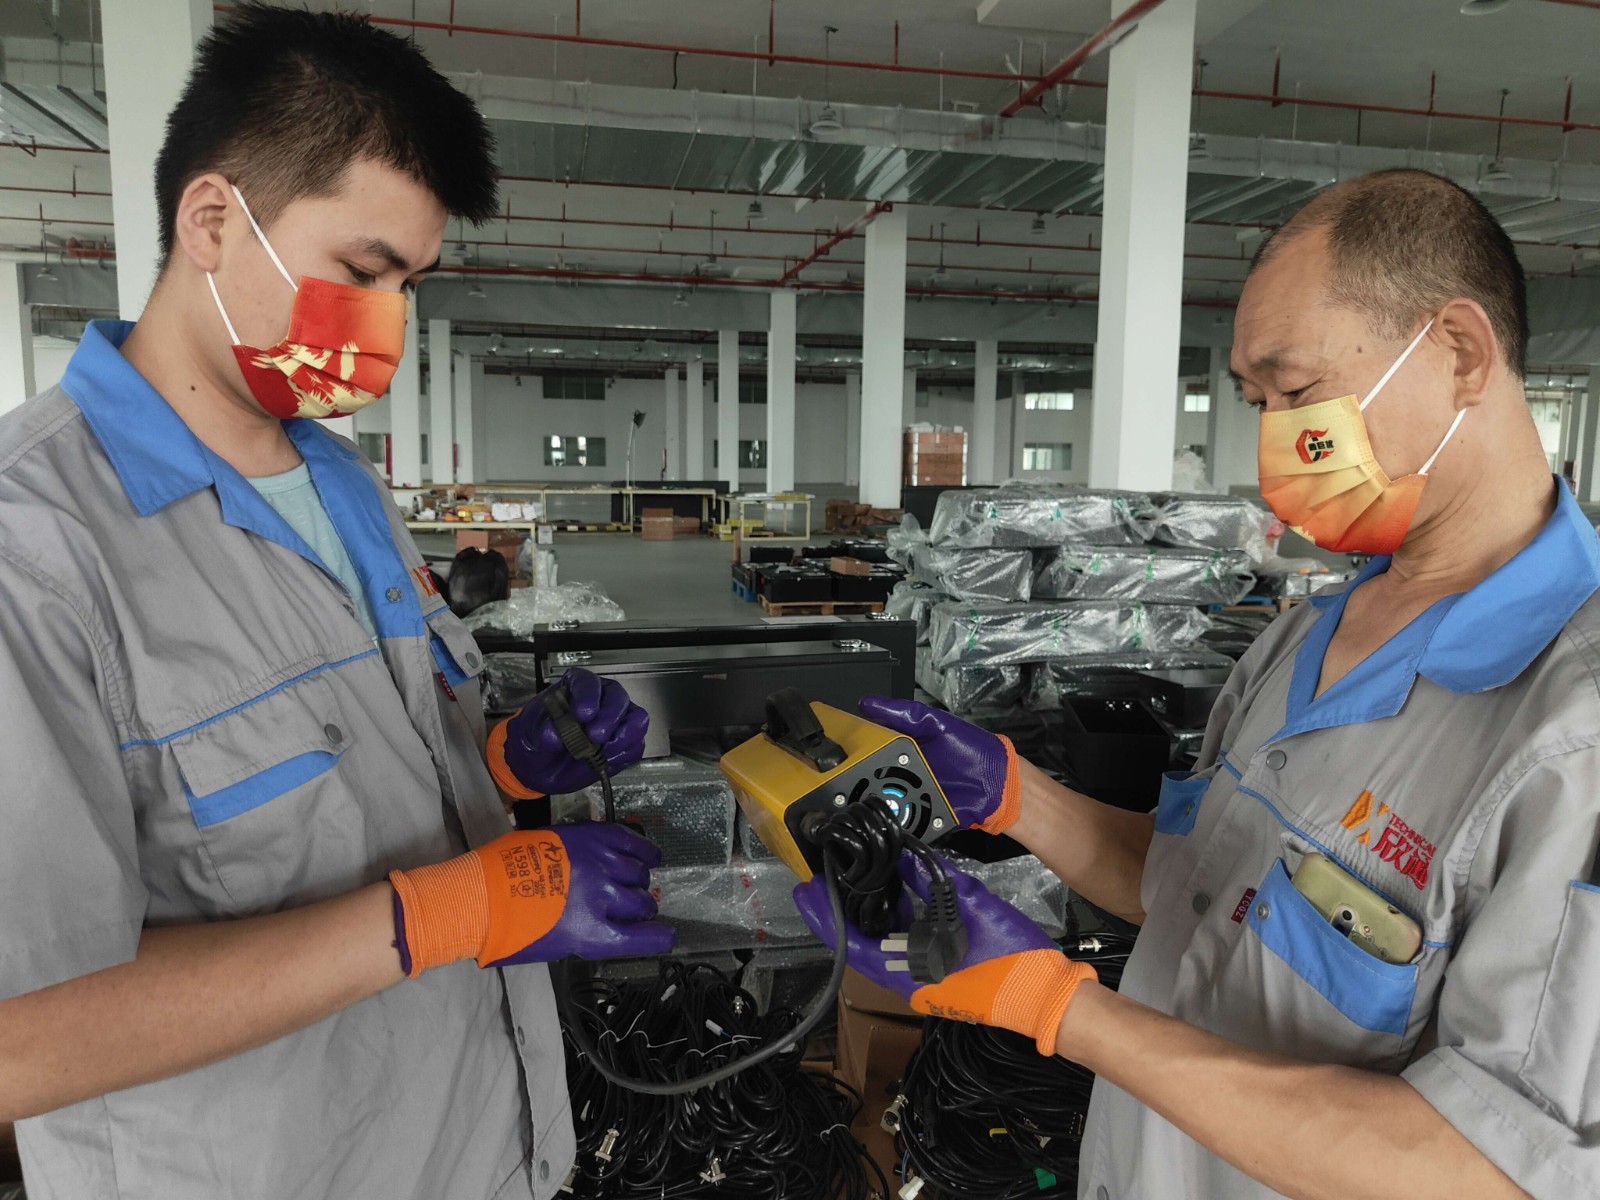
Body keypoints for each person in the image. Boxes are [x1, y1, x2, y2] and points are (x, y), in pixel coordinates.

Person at [796, 169, 1600, 1199]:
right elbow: (1200, 881)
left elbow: (1488, 1168)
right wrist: (1011, 791)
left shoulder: (1570, 733)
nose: (1272, 444)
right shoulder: (1302, 634)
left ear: (1460, 352)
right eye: (1256, 403)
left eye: (1295, 392)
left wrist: (1057, 1008)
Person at [0, 7, 671, 1199]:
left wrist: (503, 764)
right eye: (362, 272)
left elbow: (351, 768)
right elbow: (22, 1043)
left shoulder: (344, 484)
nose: (387, 320)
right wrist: (440, 916)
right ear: (212, 221)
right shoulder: (35, 551)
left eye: (409, 282)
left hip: (478, 1145)